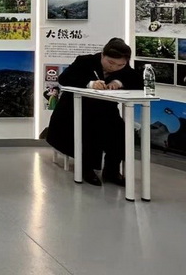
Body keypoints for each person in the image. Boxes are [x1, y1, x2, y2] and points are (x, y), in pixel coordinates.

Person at [46, 38, 143, 186]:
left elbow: (137, 81)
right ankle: (87, 168)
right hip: (75, 110)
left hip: (106, 111)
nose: (114, 68)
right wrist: (90, 84)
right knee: (90, 128)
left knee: (120, 130)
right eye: (110, 63)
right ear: (102, 55)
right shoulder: (85, 61)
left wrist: (118, 82)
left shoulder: (124, 68)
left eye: (120, 65)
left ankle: (111, 170)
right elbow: (64, 78)